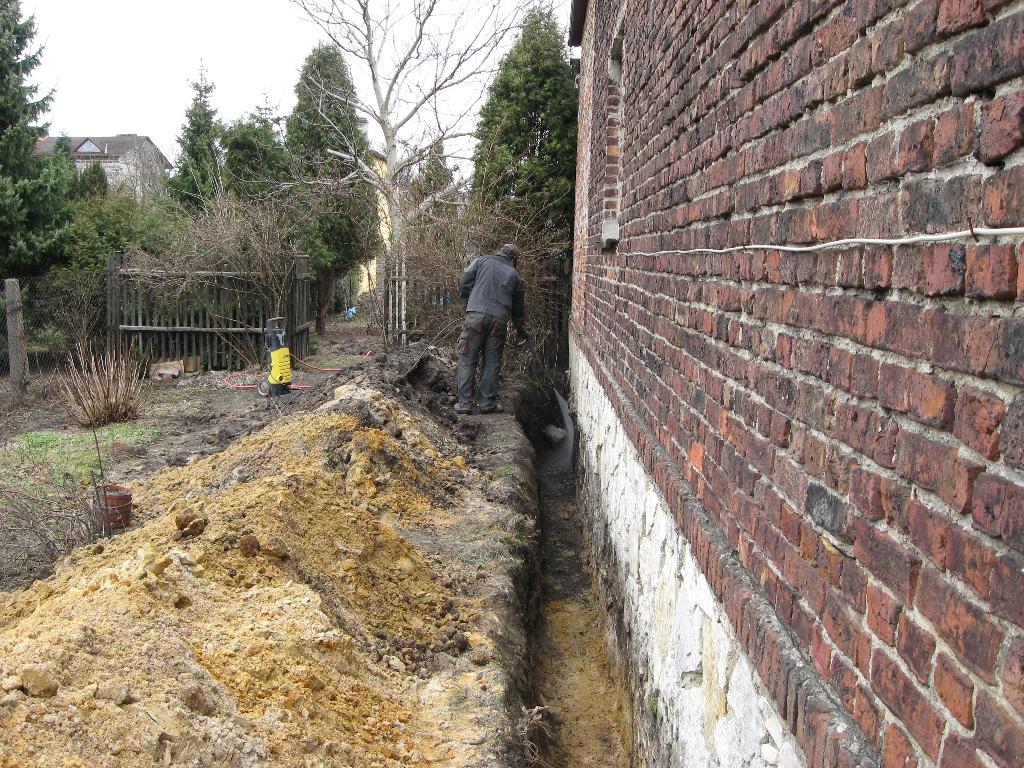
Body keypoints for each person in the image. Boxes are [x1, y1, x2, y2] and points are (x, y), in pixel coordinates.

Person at [455, 243, 528, 414]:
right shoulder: (515, 275)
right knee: (492, 361)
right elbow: (518, 309)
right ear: (514, 258)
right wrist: (520, 330)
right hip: (499, 321)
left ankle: (465, 405)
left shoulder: (480, 262)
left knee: (467, 358)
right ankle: (487, 404)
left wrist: (468, 302)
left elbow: (464, 283)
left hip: (475, 317)